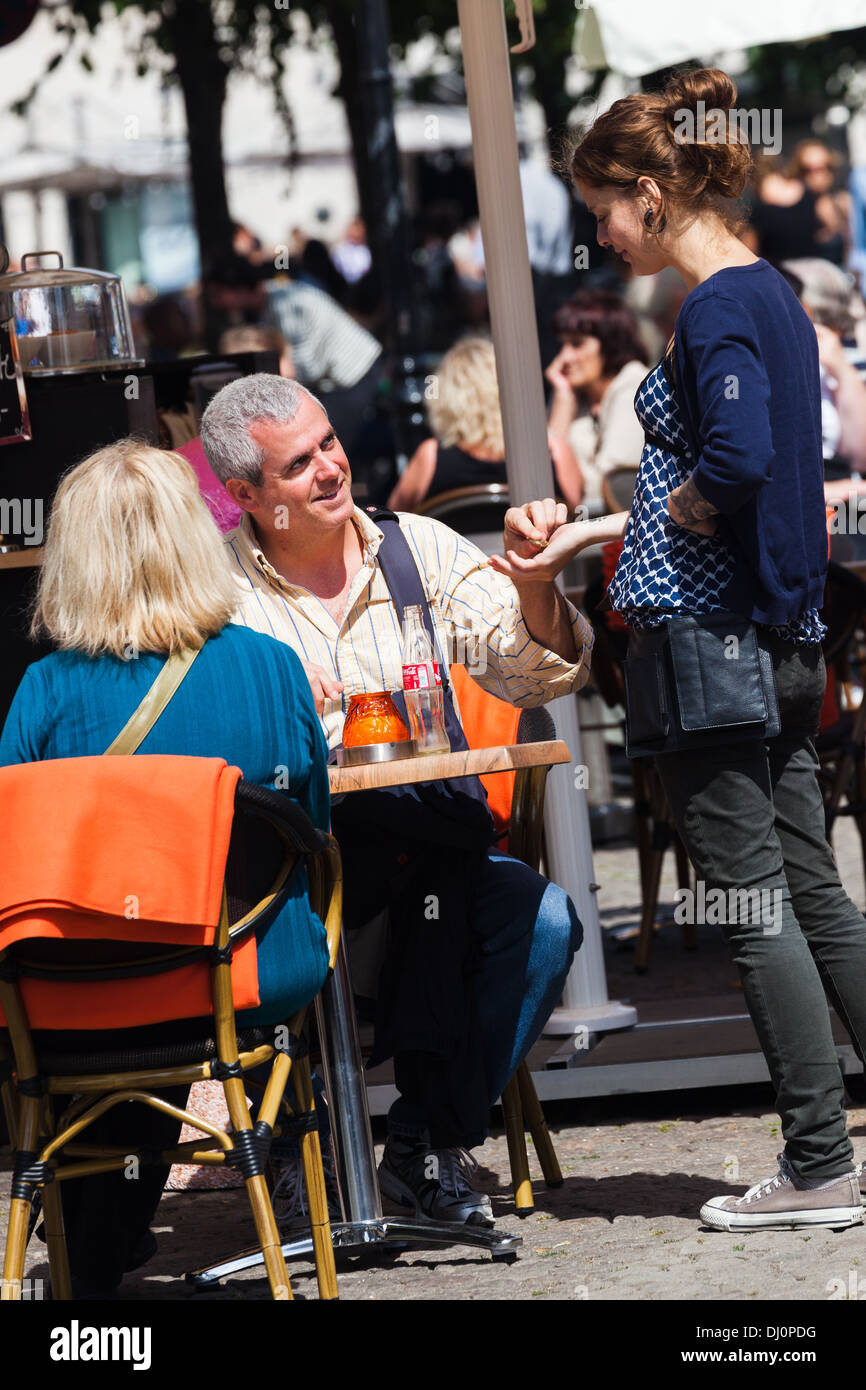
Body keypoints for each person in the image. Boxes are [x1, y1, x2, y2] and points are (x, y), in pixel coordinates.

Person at [489, 67, 866, 1234]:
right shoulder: (767, 298)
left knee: (754, 912)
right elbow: (748, 465)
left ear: (650, 196)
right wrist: (622, 521)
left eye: (602, 208)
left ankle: (814, 1162)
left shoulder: (708, 308)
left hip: (711, 657)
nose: (596, 236)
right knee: (813, 894)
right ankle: (819, 1156)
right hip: (777, 641)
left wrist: (693, 503)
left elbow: (743, 461)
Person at [200, 372, 591, 1227]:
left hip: (427, 848)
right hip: (287, 879)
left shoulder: (418, 548)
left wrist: (534, 587)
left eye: (330, 442)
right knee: (323, 927)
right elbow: (194, 752)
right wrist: (276, 702)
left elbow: (541, 672)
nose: (332, 468)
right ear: (244, 495)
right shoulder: (214, 596)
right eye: (300, 464)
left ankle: (420, 1139)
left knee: (548, 921)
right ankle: (308, 1138)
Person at [0, 440, 331, 1295]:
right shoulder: (270, 667)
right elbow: (316, 832)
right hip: (242, 971)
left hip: (72, 987)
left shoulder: (42, 689)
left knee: (98, 990)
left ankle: (88, 1257)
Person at [387, 336, 582, 514]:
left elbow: (390, 522)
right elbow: (575, 517)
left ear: (448, 399)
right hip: (532, 553)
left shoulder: (430, 457)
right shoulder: (554, 451)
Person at [545, 291, 647, 511]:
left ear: (610, 344)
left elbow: (611, 485)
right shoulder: (570, 392)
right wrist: (562, 400)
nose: (565, 358)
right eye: (562, 345)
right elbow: (545, 474)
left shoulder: (634, 385)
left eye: (576, 344)